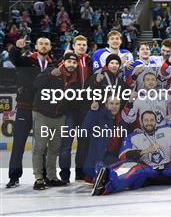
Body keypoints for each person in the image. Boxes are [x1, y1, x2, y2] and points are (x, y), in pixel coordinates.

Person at [6, 36, 52, 189]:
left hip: (44, 111)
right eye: (41, 43)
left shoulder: (53, 65)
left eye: (46, 44)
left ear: (50, 47)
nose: (44, 46)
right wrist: (17, 48)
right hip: (25, 109)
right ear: (36, 46)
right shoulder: (26, 61)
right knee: (19, 144)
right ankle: (14, 177)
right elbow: (14, 59)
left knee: (42, 146)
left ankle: (42, 175)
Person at [32, 53, 80, 190]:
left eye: (74, 63)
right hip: (42, 114)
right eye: (69, 61)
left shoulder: (75, 80)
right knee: (40, 147)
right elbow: (36, 83)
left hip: (59, 117)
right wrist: (51, 75)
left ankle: (52, 177)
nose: (71, 64)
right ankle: (39, 178)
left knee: (54, 148)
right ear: (63, 62)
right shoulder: (51, 71)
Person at [59, 35, 93, 182]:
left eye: (84, 45)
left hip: (85, 108)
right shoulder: (68, 60)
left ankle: (80, 173)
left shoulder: (89, 60)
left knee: (83, 142)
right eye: (78, 44)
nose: (81, 47)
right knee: (66, 142)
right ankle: (65, 175)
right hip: (70, 108)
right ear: (74, 45)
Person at [82, 97, 126, 182]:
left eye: (117, 104)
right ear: (106, 105)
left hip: (112, 160)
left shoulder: (121, 121)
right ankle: (100, 177)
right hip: (96, 162)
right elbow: (84, 131)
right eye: (111, 103)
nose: (114, 106)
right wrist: (92, 112)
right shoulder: (98, 117)